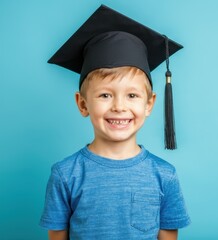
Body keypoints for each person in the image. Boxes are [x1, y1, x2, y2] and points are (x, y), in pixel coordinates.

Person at [39, 5, 190, 240]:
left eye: (132, 95)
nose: (119, 106)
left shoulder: (164, 175)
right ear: (82, 104)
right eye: (105, 95)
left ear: (149, 104)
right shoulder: (66, 175)